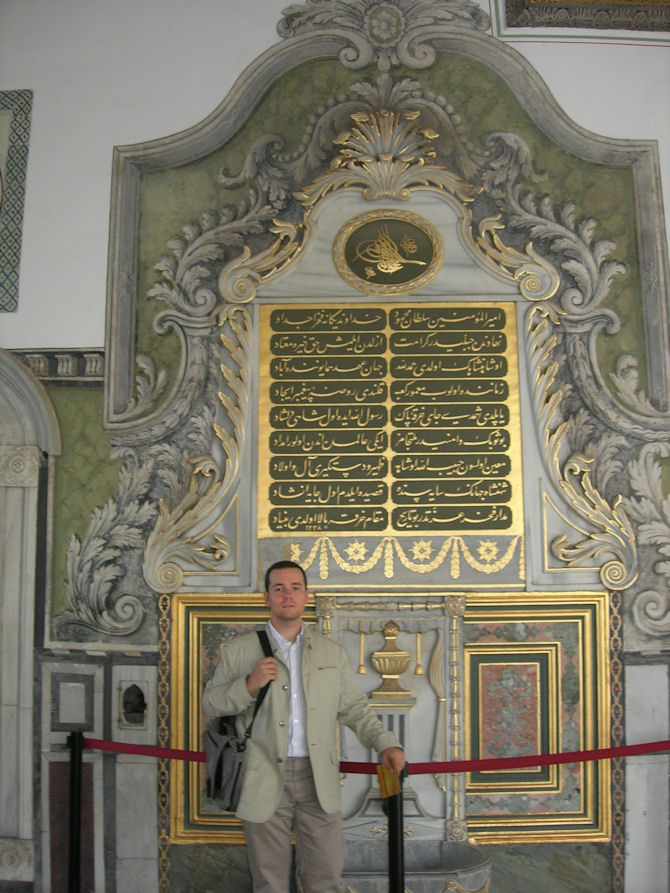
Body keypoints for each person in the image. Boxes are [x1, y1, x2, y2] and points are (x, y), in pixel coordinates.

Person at [203, 560, 406, 893]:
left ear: (307, 595)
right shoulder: (240, 652)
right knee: (269, 883)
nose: (287, 595)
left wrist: (386, 744)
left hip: (318, 779)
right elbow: (211, 703)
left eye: (295, 588)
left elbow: (354, 708)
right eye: (279, 588)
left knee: (326, 879)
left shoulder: (330, 652)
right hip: (262, 774)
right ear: (266, 597)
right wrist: (249, 685)